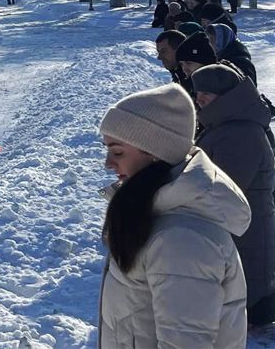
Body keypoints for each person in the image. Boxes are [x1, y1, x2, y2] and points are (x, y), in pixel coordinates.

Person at [98, 83, 250, 348]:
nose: (108, 163)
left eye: (118, 151)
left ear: (156, 152)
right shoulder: (155, 213)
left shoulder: (181, 239)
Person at [192, 63, 275, 324]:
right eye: (197, 92)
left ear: (227, 96)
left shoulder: (240, 133)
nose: (199, 97)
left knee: (250, 295)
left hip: (246, 230)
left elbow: (223, 189)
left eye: (207, 92)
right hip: (238, 229)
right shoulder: (226, 125)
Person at [155, 30, 193, 96]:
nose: (159, 57)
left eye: (163, 51)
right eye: (158, 52)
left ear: (179, 50)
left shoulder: (195, 79)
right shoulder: (177, 72)